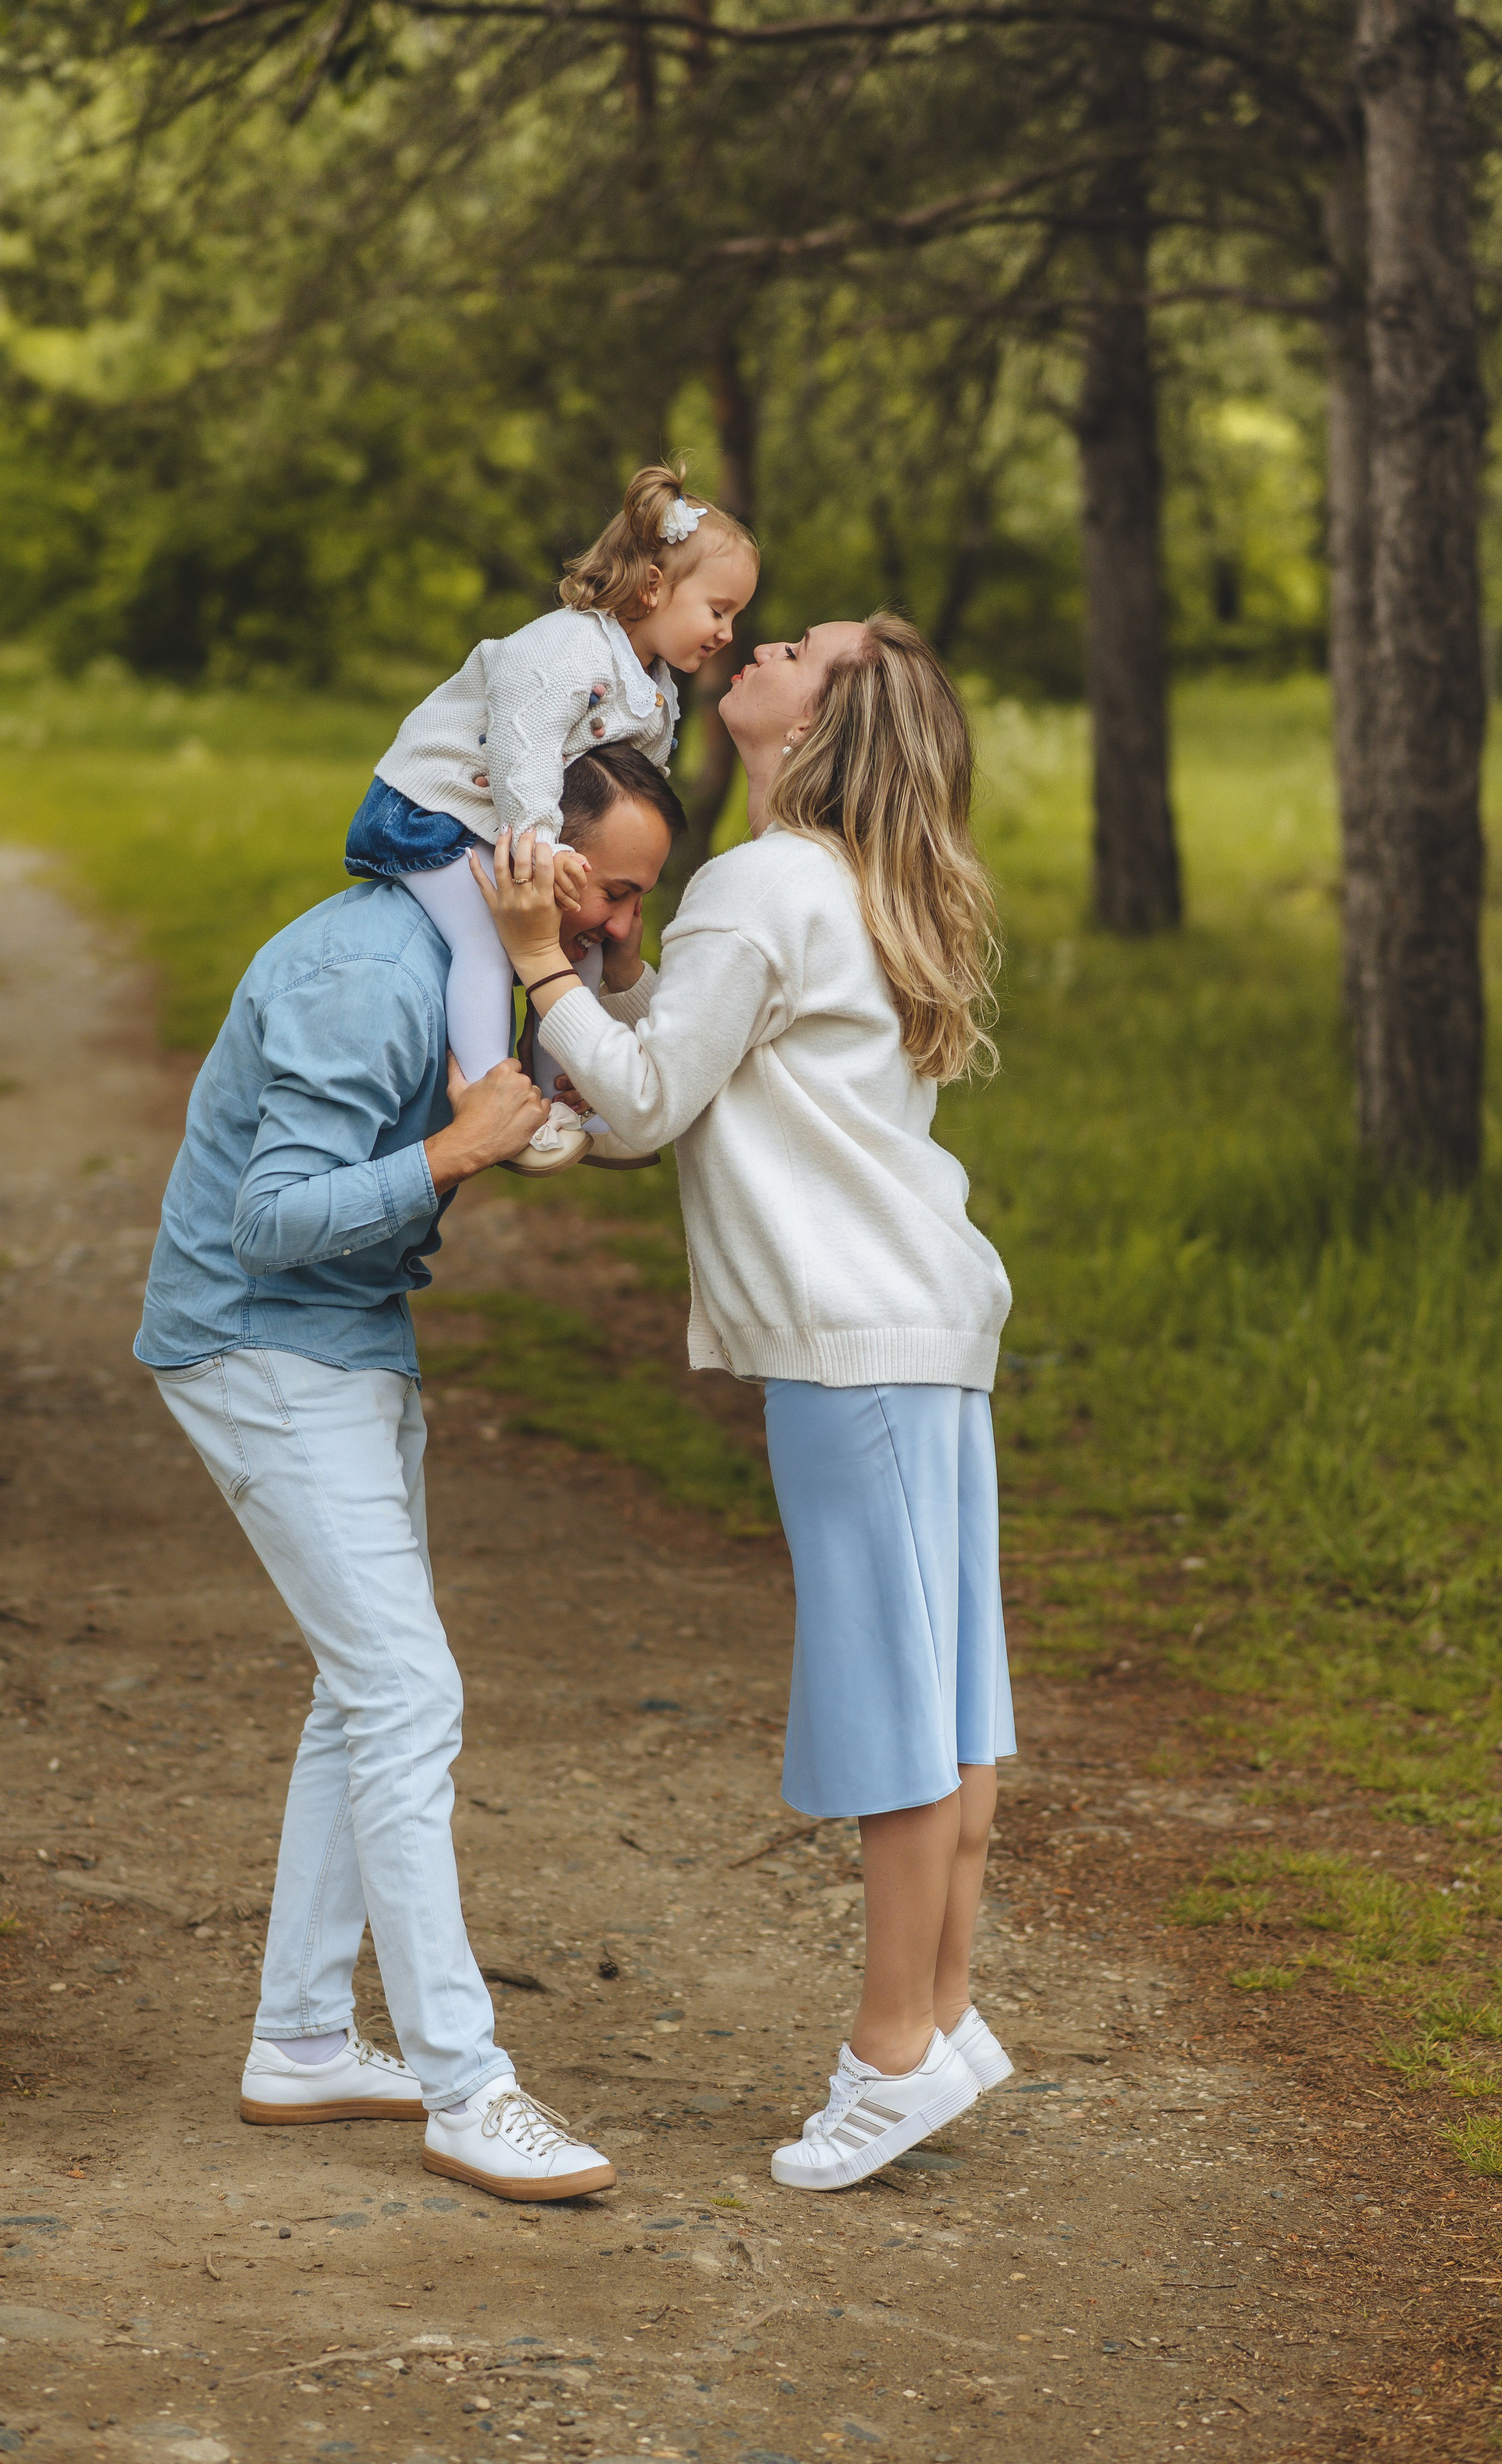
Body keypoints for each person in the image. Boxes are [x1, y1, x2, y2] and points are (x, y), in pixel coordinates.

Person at [478, 610, 1018, 2193]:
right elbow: (712, 1063)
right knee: (950, 1698)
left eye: (796, 645)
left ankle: (888, 2056)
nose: (760, 644)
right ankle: (945, 2014)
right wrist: (630, 979)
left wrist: (536, 966)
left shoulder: (763, 878)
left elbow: (640, 1110)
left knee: (888, 1715)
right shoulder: (853, 879)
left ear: (823, 714)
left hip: (849, 1351)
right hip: (927, 1332)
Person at [135, 746, 685, 2201]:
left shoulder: (474, 955)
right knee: (407, 1690)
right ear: (518, 846)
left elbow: (613, 1111)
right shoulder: (372, 975)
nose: (624, 924)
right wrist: (451, 1151)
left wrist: (556, 1011)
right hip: (259, 1340)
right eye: (612, 891)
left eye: (640, 899)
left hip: (350, 1334)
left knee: (361, 1686)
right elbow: (264, 1220)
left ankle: (304, 2037)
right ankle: (466, 2083)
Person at [344, 464, 758, 1174]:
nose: (726, 632)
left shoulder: (653, 688)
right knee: (489, 933)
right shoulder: (567, 648)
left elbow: (632, 787)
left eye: (735, 618)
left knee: (582, 944)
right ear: (654, 588)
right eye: (718, 610)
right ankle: (488, 1099)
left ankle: (565, 1098)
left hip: (516, 830)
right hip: (434, 810)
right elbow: (522, 742)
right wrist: (540, 848)